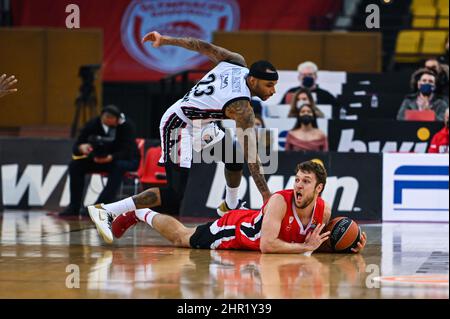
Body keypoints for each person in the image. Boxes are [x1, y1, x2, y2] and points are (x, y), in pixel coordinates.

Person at [87, 31, 278, 232]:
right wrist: (266, 195)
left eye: (274, 85)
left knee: (234, 158)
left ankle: (230, 206)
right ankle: (108, 210)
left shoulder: (236, 61)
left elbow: (201, 46)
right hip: (179, 124)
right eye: (269, 85)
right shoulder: (242, 108)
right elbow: (252, 154)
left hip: (201, 123)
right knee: (174, 195)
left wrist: (166, 40)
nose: (273, 91)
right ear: (253, 81)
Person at [92, 160, 367, 254]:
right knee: (182, 238)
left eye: (305, 182)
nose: (298, 185)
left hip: (251, 230)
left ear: (319, 189)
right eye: (297, 180)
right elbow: (268, 246)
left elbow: (322, 243)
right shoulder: (280, 202)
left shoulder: (325, 211)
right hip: (235, 230)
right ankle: (140, 213)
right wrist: (305, 248)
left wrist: (350, 245)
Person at [59, 105, 141, 216]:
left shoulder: (126, 126)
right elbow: (76, 147)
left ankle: (101, 206)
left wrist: (111, 157)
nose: (110, 120)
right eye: (107, 117)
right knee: (75, 165)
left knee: (119, 167)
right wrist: (81, 148)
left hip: (124, 159)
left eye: (113, 118)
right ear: (102, 117)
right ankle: (74, 206)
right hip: (99, 159)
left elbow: (127, 150)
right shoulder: (92, 125)